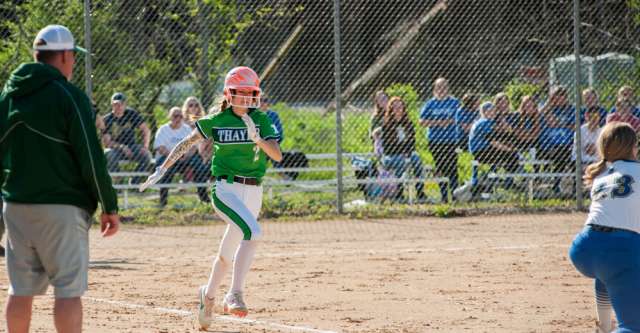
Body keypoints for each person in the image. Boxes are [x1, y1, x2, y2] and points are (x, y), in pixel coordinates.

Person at [139, 66, 282, 329]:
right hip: (225, 189)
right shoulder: (217, 120)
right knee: (253, 232)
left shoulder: (261, 120)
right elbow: (186, 143)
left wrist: (258, 139)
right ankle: (234, 294)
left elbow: (277, 155)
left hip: (254, 190)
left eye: (251, 93)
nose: (248, 98)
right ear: (230, 93)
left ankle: (209, 294)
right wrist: (163, 168)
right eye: (242, 93)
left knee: (229, 250)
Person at [0, 24, 119, 333]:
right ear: (65, 55)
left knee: (20, 289)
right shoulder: (70, 96)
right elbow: (92, 158)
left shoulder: (10, 94)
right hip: (61, 207)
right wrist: (109, 204)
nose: (74, 62)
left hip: (16, 204)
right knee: (67, 290)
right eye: (73, 56)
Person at [569, 122, 640, 333]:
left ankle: (605, 326)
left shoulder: (601, 175)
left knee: (607, 272)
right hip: (619, 250)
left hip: (584, 248)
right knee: (634, 327)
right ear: (633, 147)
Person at [153, 107, 210, 206]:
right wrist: (174, 156)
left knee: (199, 166)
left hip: (185, 158)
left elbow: (194, 147)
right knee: (166, 169)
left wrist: (186, 155)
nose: (178, 118)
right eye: (175, 116)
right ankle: (163, 200)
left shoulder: (186, 129)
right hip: (168, 157)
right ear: (170, 117)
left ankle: (203, 196)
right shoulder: (163, 129)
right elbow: (160, 148)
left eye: (180, 116)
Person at [374, 96, 426, 201]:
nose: (398, 109)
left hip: (406, 153)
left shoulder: (408, 124)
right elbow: (389, 147)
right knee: (400, 162)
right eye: (395, 107)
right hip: (390, 156)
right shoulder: (386, 124)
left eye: (400, 107)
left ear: (403, 108)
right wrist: (402, 151)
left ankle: (420, 191)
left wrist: (407, 151)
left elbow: (412, 142)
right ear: (391, 110)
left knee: (417, 160)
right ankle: (399, 192)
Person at [419, 77, 460, 202]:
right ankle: (443, 195)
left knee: (452, 167)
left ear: (448, 89)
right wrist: (438, 122)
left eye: (444, 87)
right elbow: (422, 122)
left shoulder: (454, 102)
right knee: (441, 167)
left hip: (451, 140)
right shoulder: (430, 104)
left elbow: (461, 117)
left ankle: (454, 194)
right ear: (435, 89)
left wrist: (450, 121)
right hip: (435, 140)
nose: (441, 89)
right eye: (439, 87)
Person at [469, 102, 520, 196]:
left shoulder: (485, 121)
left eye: (494, 111)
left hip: (483, 151)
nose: (493, 113)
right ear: (484, 112)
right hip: (482, 152)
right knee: (513, 156)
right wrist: (510, 150)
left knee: (511, 155)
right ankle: (507, 182)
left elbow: (502, 135)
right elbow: (493, 142)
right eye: (490, 111)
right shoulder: (484, 122)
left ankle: (502, 179)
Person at [102, 92, 152, 176]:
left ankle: (135, 181)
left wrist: (145, 147)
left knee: (147, 155)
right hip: (115, 149)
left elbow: (146, 130)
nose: (118, 107)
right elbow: (107, 143)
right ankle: (118, 180)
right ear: (112, 105)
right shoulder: (107, 119)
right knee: (109, 154)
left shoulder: (131, 114)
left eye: (121, 104)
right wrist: (122, 147)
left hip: (132, 147)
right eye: (115, 104)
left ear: (125, 105)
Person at [539, 85, 576, 194]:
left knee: (572, 155)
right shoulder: (546, 107)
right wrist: (549, 102)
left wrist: (559, 124)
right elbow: (539, 114)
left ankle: (574, 186)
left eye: (562, 96)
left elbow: (575, 125)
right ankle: (556, 184)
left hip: (570, 144)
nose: (559, 99)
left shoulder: (571, 109)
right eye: (556, 96)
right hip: (550, 145)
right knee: (560, 152)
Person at [370, 90, 389, 156]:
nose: (383, 101)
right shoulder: (376, 116)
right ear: (377, 102)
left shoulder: (394, 111)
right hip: (382, 140)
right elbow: (373, 134)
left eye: (384, 98)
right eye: (380, 99)